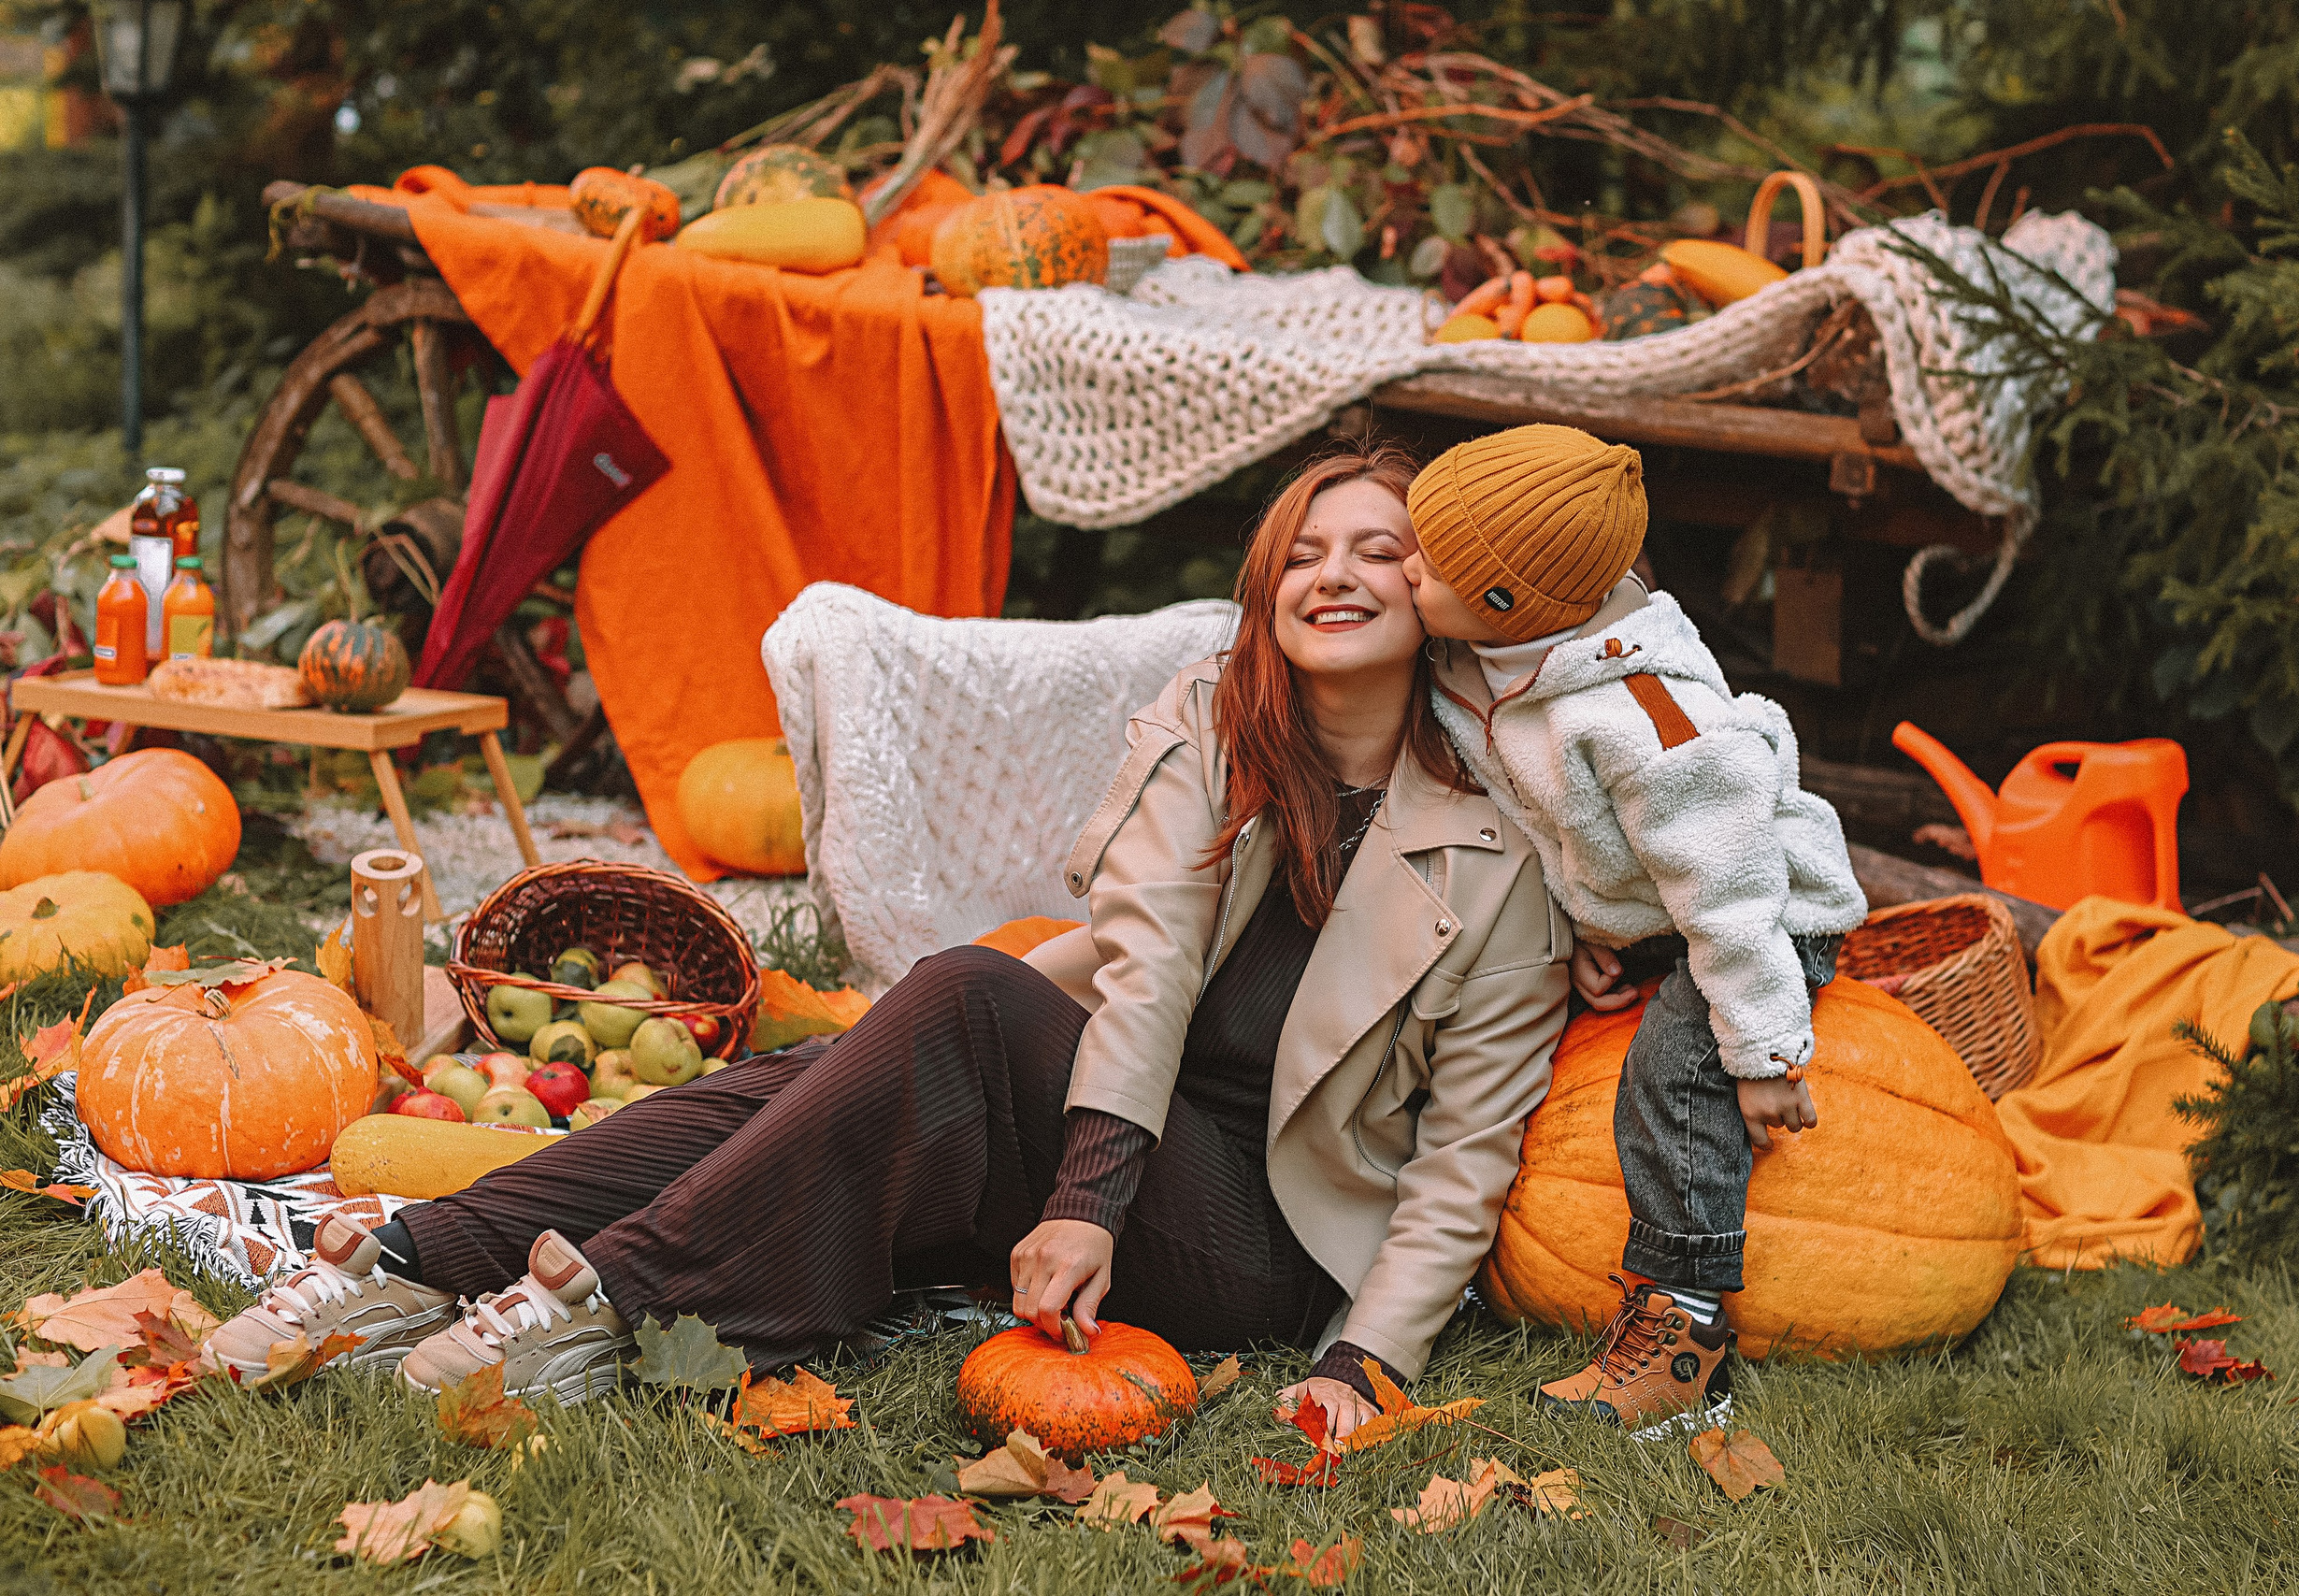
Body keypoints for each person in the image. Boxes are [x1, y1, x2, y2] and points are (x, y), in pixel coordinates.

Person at [203, 441, 1571, 1440]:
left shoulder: (1501, 842)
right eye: (1305, 550)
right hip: (1104, 1126)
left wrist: (1364, 1360)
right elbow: (1147, 974)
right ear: (1268, 589)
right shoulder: (1211, 730)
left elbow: (1465, 1154)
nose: (1336, 572)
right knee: (824, 1069)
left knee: (964, 991)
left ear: (1444, 593)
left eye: (1378, 547)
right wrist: (1088, 1191)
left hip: (1257, 1233)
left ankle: (609, 1303)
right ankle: (409, 1260)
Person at [1399, 423, 1867, 1436]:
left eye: (1422, 563)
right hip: (1666, 911)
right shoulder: (1492, 658)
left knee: (1671, 1069)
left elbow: (1729, 888)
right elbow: (1544, 814)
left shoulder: (1650, 717)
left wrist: (1762, 1051)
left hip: (1763, 918)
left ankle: (1685, 1329)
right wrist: (1594, 923)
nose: (1401, 570)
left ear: (1502, 603)